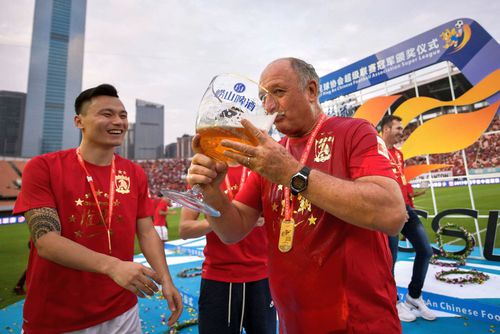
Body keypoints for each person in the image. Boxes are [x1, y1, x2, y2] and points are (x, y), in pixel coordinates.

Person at [186, 57, 406, 333]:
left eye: (278, 92)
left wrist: (293, 174)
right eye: (263, 97)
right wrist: (212, 192)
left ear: (311, 90)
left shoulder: (353, 131)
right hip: (292, 322)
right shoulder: (269, 153)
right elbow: (234, 230)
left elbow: (392, 215)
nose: (268, 106)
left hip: (359, 322)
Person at [13, 84, 183, 333]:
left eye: (123, 115)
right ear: (78, 121)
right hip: (58, 315)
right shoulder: (43, 167)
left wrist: (166, 280)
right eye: (107, 114)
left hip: (122, 309)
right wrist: (113, 266)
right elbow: (46, 241)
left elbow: (147, 232)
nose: (118, 121)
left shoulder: (134, 172)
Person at [179, 164, 276, 334]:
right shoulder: (206, 174)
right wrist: (225, 218)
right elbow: (185, 229)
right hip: (219, 277)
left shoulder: (262, 168)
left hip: (262, 276)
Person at [380, 115, 436, 322]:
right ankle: (393, 301)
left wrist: (411, 194)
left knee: (425, 250)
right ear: (386, 129)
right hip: (387, 210)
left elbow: (400, 180)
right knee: (390, 260)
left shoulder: (399, 153)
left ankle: (413, 296)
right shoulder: (374, 149)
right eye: (398, 127)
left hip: (406, 209)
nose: (401, 131)